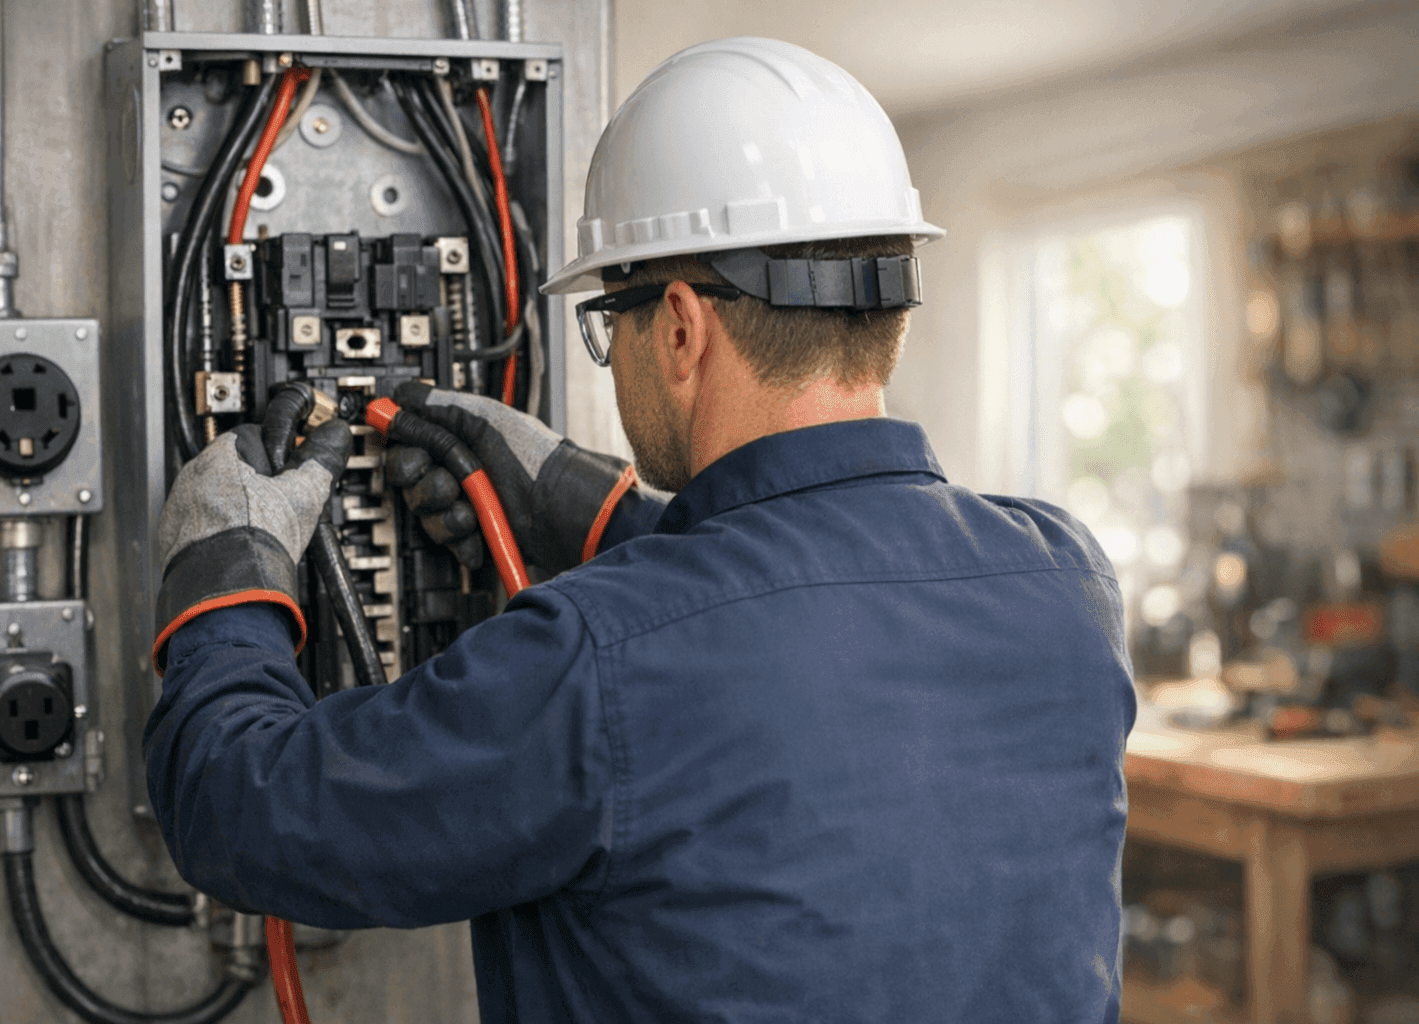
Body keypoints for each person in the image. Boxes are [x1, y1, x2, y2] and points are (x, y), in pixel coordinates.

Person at [145, 37, 1135, 1023]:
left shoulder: (588, 659)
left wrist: (225, 572)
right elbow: (806, 640)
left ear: (678, 328)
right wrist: (616, 518)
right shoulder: (1069, 583)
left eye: (605, 319)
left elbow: (241, 806)